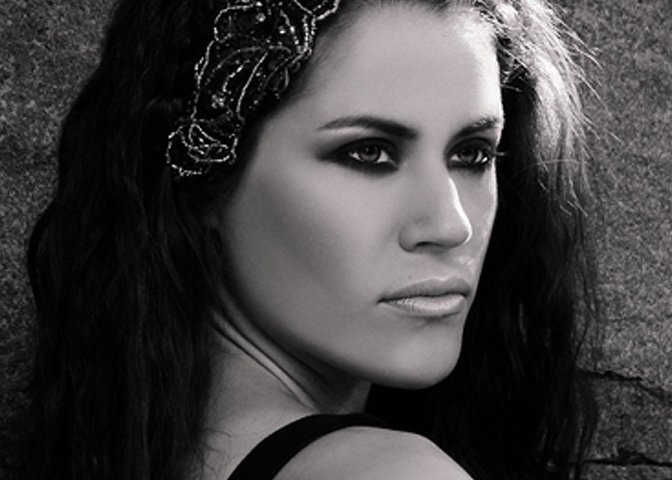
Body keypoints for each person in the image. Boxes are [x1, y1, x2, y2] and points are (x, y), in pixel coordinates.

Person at [10, 0, 598, 479]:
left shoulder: (129, 445)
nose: (451, 225)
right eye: (367, 153)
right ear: (205, 178)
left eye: (472, 154)